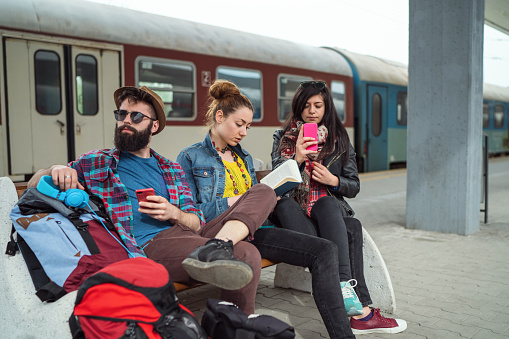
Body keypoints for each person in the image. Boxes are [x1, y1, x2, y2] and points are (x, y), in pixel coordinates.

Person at [27, 85, 276, 314]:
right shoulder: (97, 161)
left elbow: (197, 221)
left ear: (154, 126)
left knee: (265, 192)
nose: (126, 121)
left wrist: (173, 213)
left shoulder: (171, 169)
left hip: (191, 236)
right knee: (246, 254)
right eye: (122, 114)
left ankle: (217, 252)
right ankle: (233, 324)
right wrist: (56, 169)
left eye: (136, 117)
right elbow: (34, 183)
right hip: (147, 245)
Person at [178, 79, 360, 339]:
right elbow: (190, 213)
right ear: (219, 117)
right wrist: (237, 201)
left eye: (248, 126)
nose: (244, 132)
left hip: (256, 228)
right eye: (239, 124)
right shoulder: (191, 157)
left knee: (326, 249)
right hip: (220, 232)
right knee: (332, 239)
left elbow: (263, 199)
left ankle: (345, 330)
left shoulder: (244, 158)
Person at [270, 80, 407, 335]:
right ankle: (360, 309)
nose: (312, 111)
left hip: (326, 212)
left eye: (318, 105)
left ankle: (352, 297)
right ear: (298, 108)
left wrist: (333, 181)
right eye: (307, 105)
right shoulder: (284, 136)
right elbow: (276, 185)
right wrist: (297, 159)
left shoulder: (339, 139)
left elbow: (353, 185)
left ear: (326, 108)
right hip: (295, 212)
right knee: (349, 228)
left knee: (330, 206)